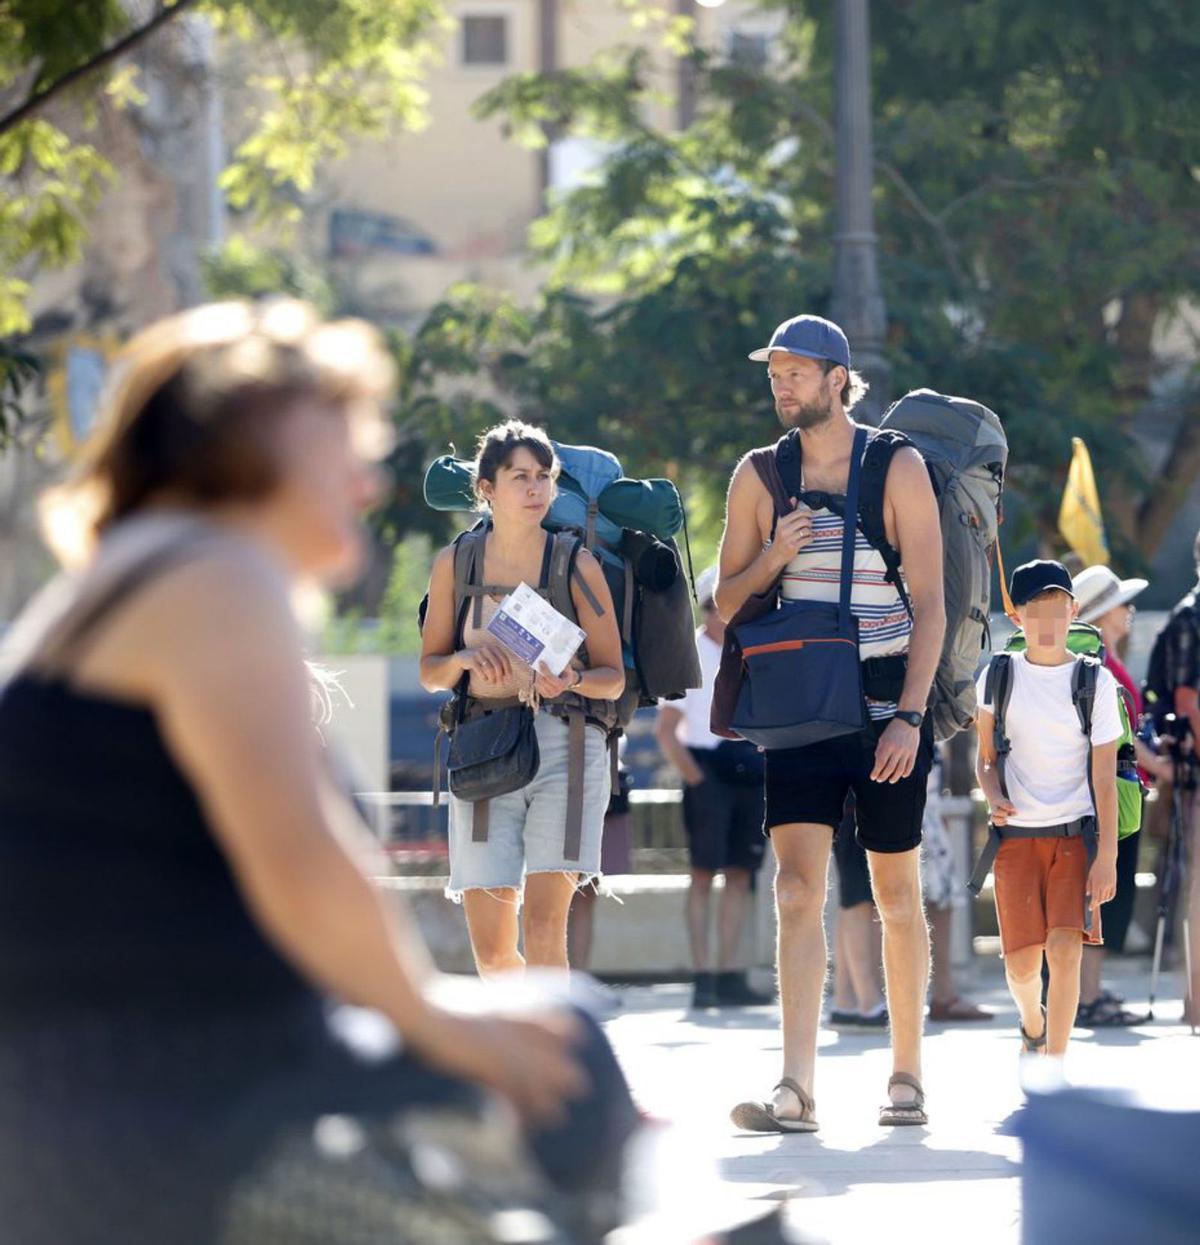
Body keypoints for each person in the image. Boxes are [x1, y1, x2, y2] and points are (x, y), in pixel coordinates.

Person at [0, 301, 636, 1243]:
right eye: (342, 445)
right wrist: (445, 1028)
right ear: (246, 445)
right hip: (157, 1116)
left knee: (559, 1029)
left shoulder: (140, 573)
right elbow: (302, 867)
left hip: (116, 1087)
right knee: (571, 1064)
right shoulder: (213, 576)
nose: (368, 479)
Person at [723, 315, 945, 1132]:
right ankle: (795, 1087)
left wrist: (912, 718)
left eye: (796, 371)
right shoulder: (757, 474)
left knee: (893, 890)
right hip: (800, 708)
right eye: (774, 371)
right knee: (795, 889)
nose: (781, 384)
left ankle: (907, 1074)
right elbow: (725, 601)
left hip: (888, 702)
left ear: (838, 379)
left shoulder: (898, 465)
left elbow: (932, 605)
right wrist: (776, 556)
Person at [420, 421, 626, 977]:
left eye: (544, 478)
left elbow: (613, 677)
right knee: (491, 948)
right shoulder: (455, 564)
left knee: (541, 929)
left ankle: (548, 1062)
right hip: (484, 743)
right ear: (486, 488)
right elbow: (430, 671)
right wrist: (463, 662)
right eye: (521, 477)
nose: (537, 489)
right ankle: (517, 1047)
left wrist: (571, 681)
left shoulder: (576, 564)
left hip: (567, 747)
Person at [975, 560, 1121, 1060]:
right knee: (1020, 966)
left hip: (1074, 837)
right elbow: (985, 759)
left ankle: (1055, 1069)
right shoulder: (996, 677)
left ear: (1074, 611)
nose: (1048, 622)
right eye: (1036, 611)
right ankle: (1032, 1023)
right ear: (1016, 617)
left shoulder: (1094, 682)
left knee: (1065, 951)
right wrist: (993, 795)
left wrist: (1108, 858)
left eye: (1058, 609)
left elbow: (1104, 775)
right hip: (1015, 840)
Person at [656, 567, 771, 1009]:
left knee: (741, 874)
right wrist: (698, 781)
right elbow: (668, 730)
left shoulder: (754, 650)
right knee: (703, 875)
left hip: (747, 765)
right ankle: (703, 974)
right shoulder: (689, 653)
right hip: (705, 767)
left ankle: (731, 971)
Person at [1072, 564, 1173, 1026]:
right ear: (1101, 613)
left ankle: (1088, 991)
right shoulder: (1100, 664)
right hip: (1109, 796)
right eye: (1121, 604)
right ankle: (1085, 996)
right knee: (1100, 894)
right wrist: (1163, 767)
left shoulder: (1104, 659)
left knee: (1105, 896)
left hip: (1117, 793)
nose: (1129, 611)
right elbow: (1123, 735)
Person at [1151, 530, 1200, 1025]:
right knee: (1198, 888)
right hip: (1195, 768)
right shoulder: (1190, 615)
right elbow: (1186, 699)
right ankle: (1196, 1003)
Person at [921, 748, 992, 1022]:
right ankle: (941, 994)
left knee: (943, 899)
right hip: (913, 814)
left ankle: (943, 993)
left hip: (930, 811)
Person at [829, 801, 888, 1029]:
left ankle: (844, 1001)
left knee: (866, 900)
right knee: (857, 899)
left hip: (862, 804)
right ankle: (867, 1000)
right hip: (851, 804)